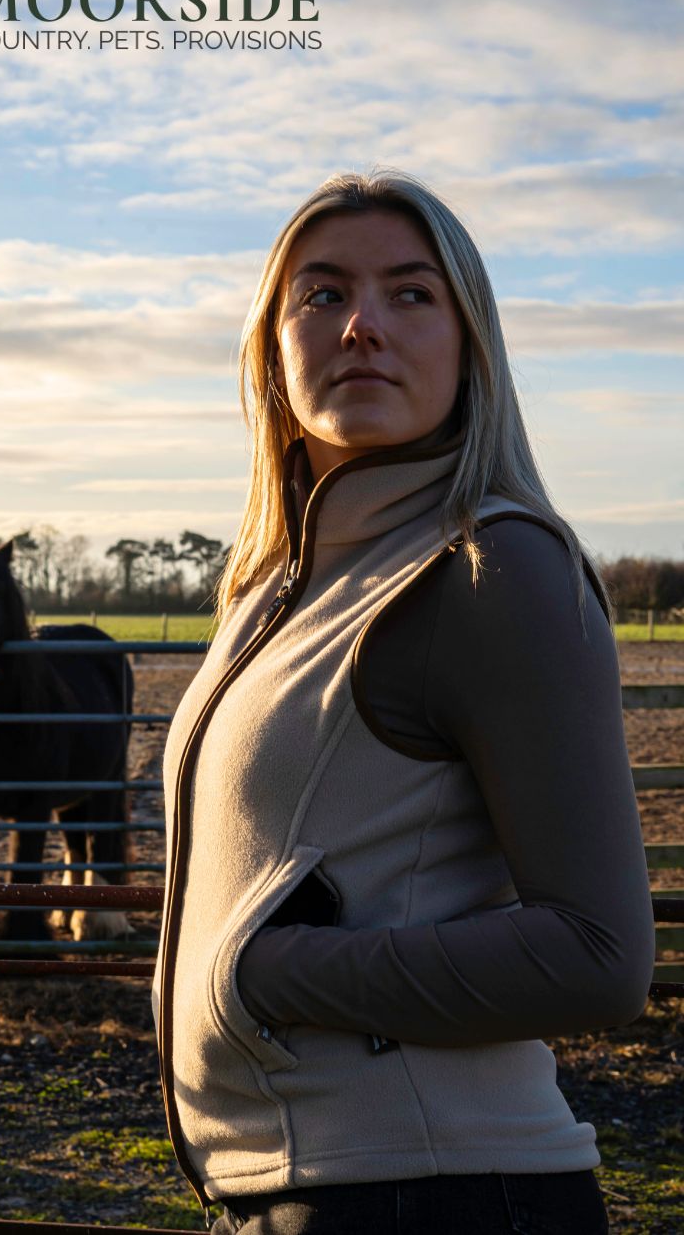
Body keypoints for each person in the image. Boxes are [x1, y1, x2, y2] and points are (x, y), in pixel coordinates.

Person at [152, 170, 654, 1235]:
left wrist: (265, 973)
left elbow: (599, 956)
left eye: (411, 295)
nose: (363, 326)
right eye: (322, 294)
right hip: (296, 1190)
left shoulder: (493, 570)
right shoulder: (271, 592)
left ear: (471, 344)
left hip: (434, 1196)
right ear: (272, 347)